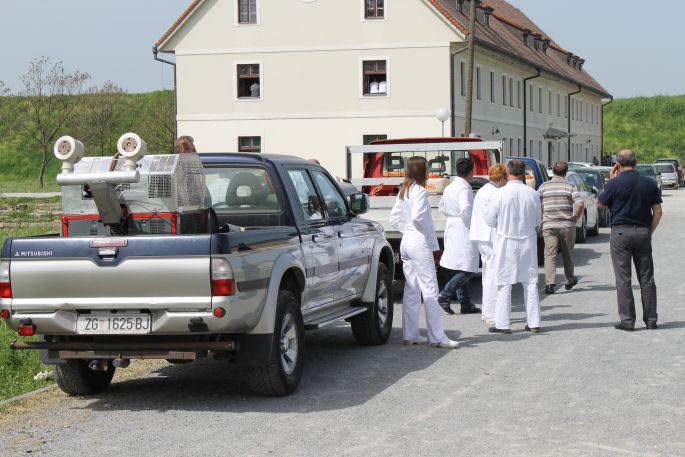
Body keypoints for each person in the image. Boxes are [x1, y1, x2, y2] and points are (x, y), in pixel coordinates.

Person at [390, 156, 459, 349]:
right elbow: (419, 216)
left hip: (407, 242)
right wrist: (427, 236)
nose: (429, 172)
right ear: (421, 171)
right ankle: (437, 337)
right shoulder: (420, 190)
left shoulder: (404, 190)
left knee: (412, 289)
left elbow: (394, 217)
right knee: (430, 290)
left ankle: (410, 334)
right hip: (418, 242)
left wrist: (408, 230)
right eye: (427, 169)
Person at [597, 149, 662, 331]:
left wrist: (610, 179)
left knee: (623, 279)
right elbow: (658, 211)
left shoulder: (614, 183)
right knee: (647, 278)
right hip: (642, 232)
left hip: (620, 233)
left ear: (617, 163)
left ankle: (627, 321)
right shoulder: (649, 184)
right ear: (636, 161)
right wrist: (649, 231)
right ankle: (651, 320)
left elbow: (599, 203)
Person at [485, 160, 542, 334]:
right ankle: (534, 322)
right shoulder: (532, 194)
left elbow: (489, 220)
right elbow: (537, 221)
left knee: (504, 282)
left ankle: (503, 323)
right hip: (527, 240)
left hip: (506, 240)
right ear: (523, 173)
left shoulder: (499, 194)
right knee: (530, 282)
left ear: (508, 173)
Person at [437, 158, 480, 315]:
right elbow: (466, 209)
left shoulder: (451, 186)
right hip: (463, 227)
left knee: (461, 266)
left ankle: (465, 303)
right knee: (468, 267)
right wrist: (471, 226)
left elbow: (442, 206)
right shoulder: (464, 188)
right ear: (470, 172)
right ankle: (445, 294)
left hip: (452, 224)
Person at [537, 161, 584, 294]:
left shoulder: (544, 186)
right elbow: (580, 204)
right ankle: (569, 280)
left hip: (549, 225)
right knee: (567, 253)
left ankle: (550, 284)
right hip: (566, 225)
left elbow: (536, 201)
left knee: (549, 255)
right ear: (565, 172)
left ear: (553, 172)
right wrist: (575, 217)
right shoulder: (570, 186)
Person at [469, 164, 508, 325]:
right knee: (493, 274)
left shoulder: (484, 190)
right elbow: (495, 217)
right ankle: (491, 313)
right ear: (501, 178)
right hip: (490, 236)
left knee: (487, 273)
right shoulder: (494, 192)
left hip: (481, 235)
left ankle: (487, 311)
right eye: (505, 178)